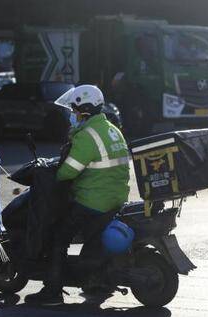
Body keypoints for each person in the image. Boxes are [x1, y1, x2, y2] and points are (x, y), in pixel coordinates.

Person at [24, 85, 130, 305]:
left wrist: (54, 177)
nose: (72, 114)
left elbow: (68, 171)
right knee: (92, 238)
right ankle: (96, 280)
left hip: (94, 200)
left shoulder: (87, 135)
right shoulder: (111, 129)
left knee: (58, 236)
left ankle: (52, 292)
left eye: (74, 109)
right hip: (116, 197)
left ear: (85, 109)